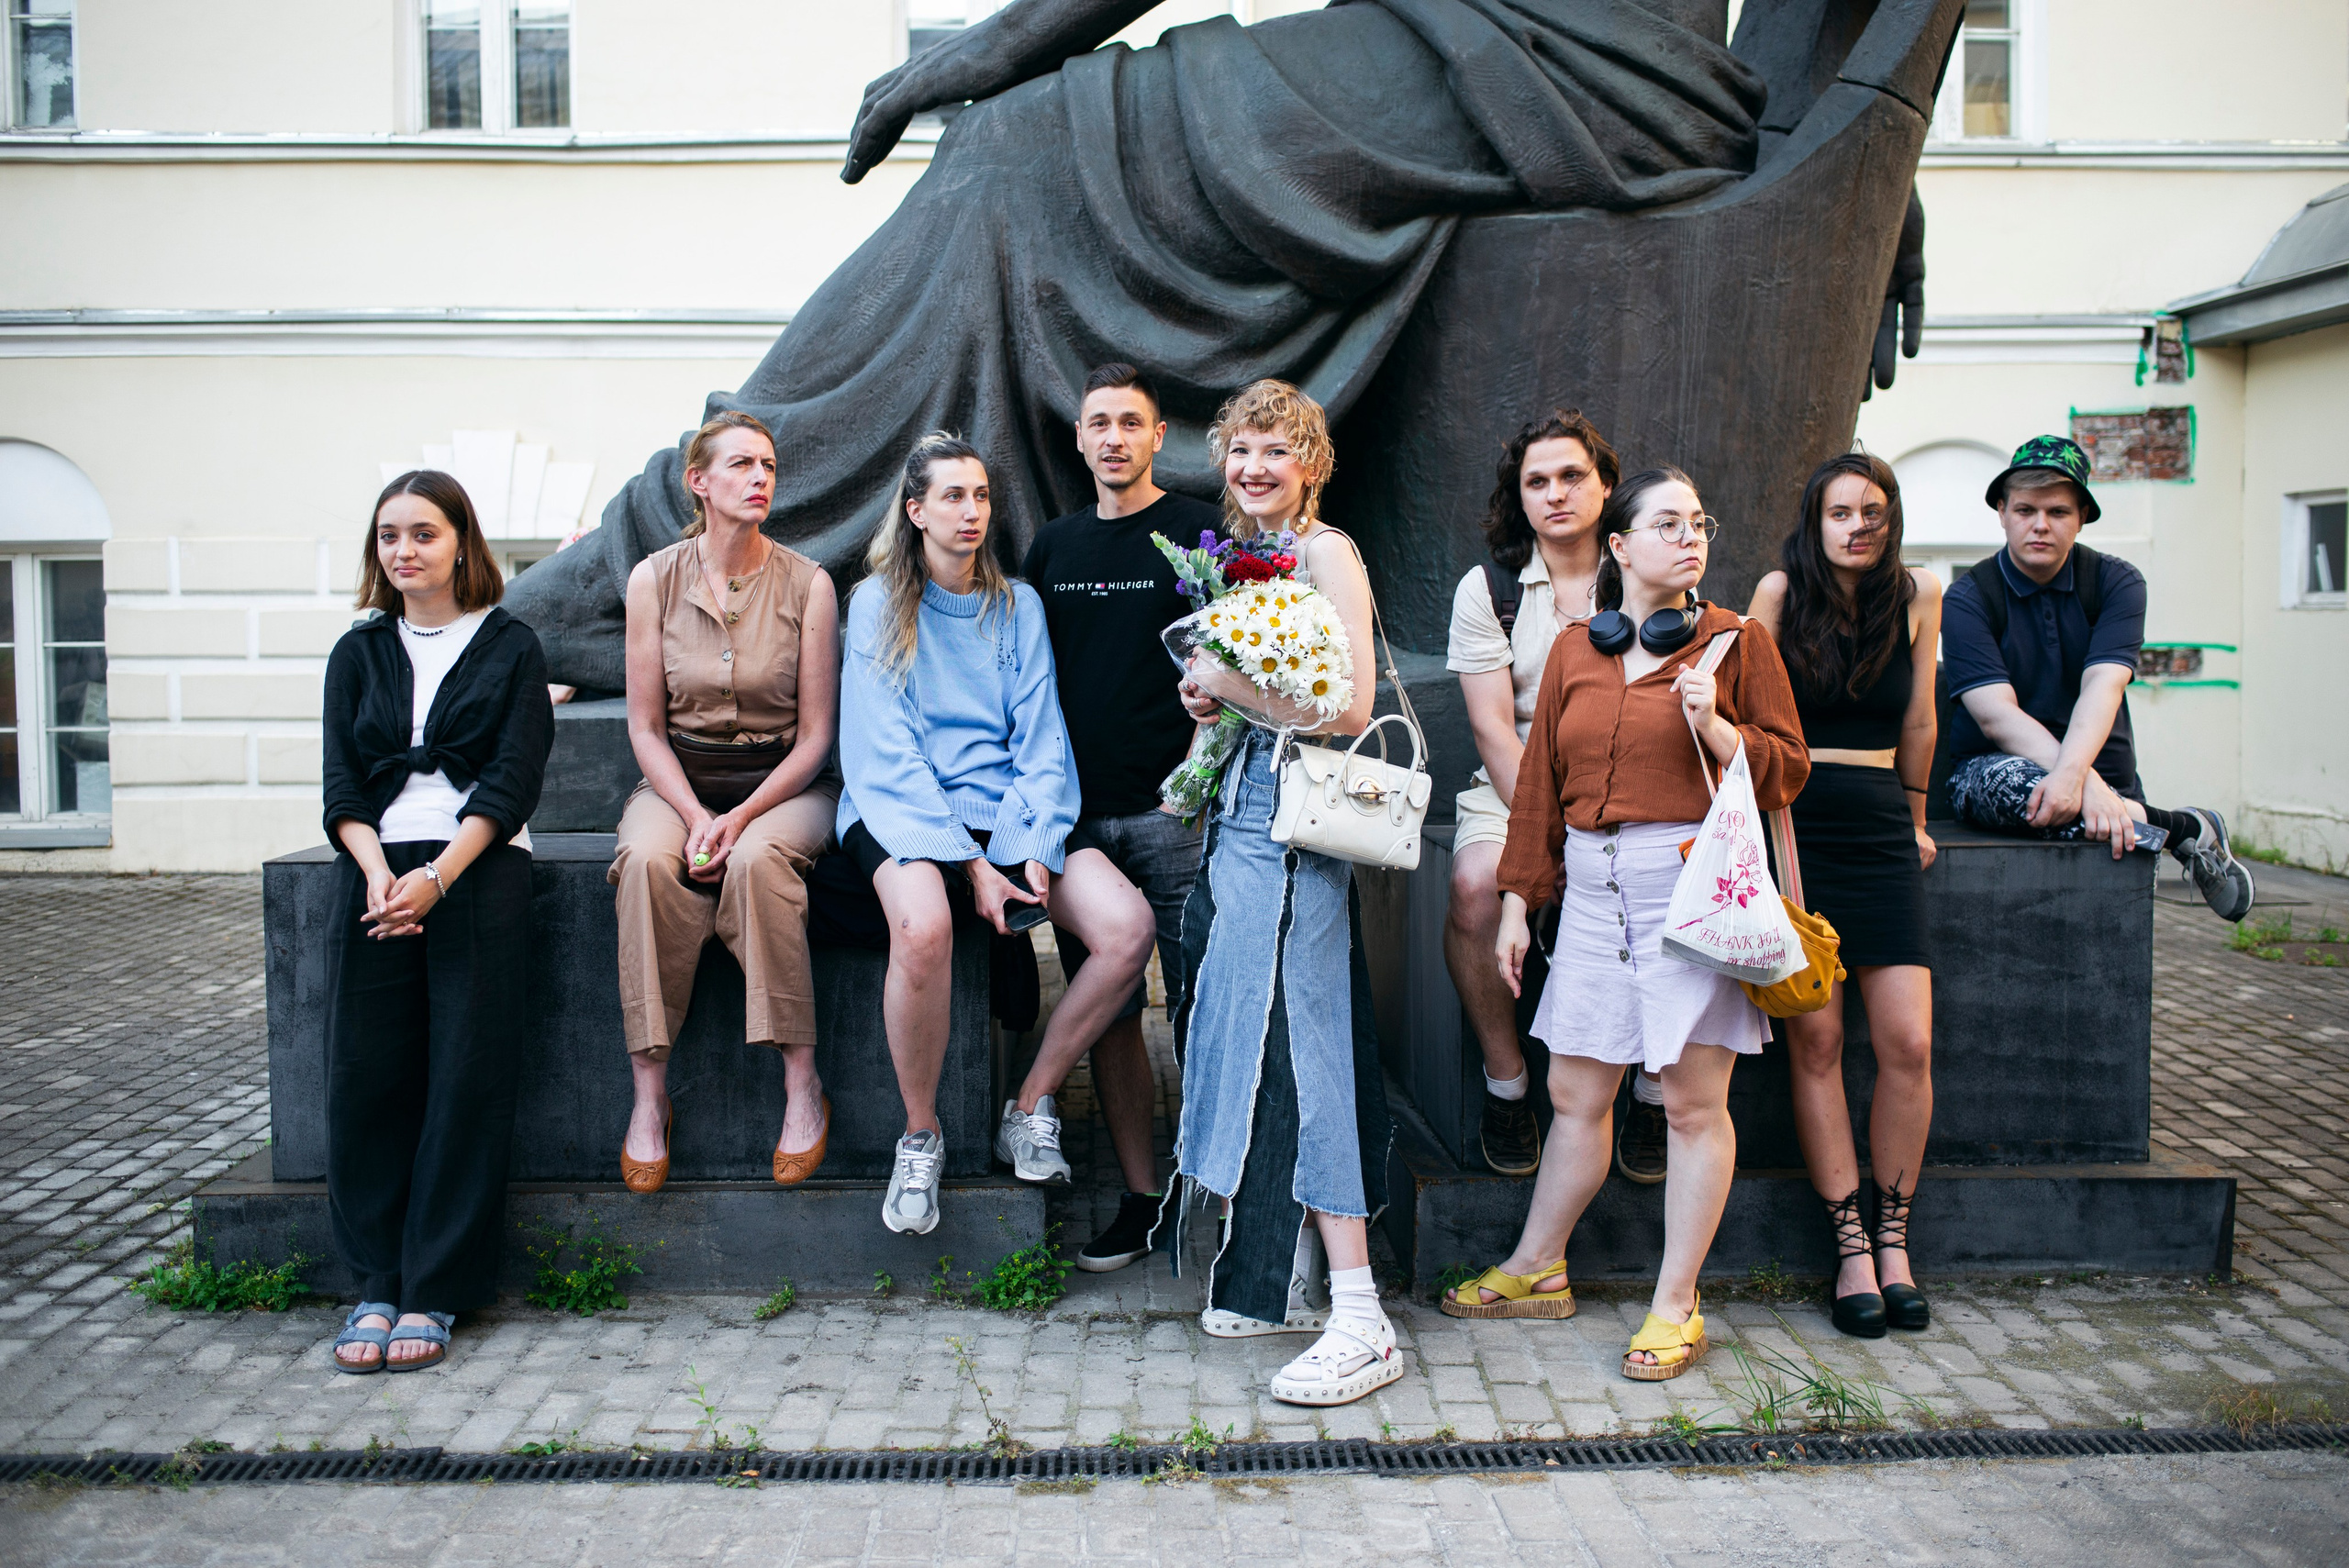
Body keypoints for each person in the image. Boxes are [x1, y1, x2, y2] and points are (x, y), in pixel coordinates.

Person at [1442, 467, 1807, 1385]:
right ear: (1619, 546)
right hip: (1593, 895)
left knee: (1689, 1103)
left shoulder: (1733, 643)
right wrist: (1520, 903)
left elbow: (1788, 769)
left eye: (1700, 522)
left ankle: (1675, 1303)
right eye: (1668, 523)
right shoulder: (1574, 650)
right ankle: (1538, 1264)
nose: (1691, 538)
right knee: (1575, 1092)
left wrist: (1719, 730)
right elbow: (1535, 790)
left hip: (1684, 890)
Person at [839, 433, 1153, 1235]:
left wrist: (1033, 841)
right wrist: (973, 863)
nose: (971, 510)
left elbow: (1041, 740)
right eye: (952, 496)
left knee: (1126, 929)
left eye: (981, 495)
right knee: (922, 925)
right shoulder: (877, 603)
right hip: (904, 810)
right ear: (915, 511)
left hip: (1008, 810)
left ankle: (1030, 1101)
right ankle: (921, 1134)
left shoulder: (1019, 604)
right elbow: (888, 753)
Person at [1174, 380, 1400, 1408]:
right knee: (1260, 1040)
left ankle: (1362, 1315)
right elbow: (1267, 693)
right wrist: (1210, 696)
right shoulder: (1243, 559)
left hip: (1298, 823)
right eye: (1240, 450)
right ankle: (1302, 1269)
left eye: (1275, 450)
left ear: (1310, 462)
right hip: (1245, 815)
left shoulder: (1324, 552)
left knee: (1308, 1046)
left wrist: (1229, 687)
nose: (1254, 467)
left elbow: (1346, 703)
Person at [320, 471, 553, 1373]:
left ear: (462, 540)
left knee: (466, 1077)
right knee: (369, 1077)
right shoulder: (358, 651)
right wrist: (382, 873)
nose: (404, 550)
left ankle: (435, 1287)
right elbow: (342, 779)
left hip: (478, 868)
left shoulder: (509, 645)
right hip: (376, 874)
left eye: (422, 532)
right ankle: (376, 1280)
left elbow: (513, 774)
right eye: (388, 536)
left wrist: (439, 878)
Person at [1021, 362, 1225, 1272]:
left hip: (1173, 814)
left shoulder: (1195, 534)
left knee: (1201, 1006)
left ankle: (1221, 1195)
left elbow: (1233, 669)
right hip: (1075, 821)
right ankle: (1141, 1198)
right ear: (1079, 437)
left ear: (1155, 437)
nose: (1113, 437)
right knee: (1106, 1015)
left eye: (1130, 422)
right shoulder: (1053, 549)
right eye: (1098, 421)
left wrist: (1196, 772)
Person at [609, 412, 841, 1194]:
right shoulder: (653, 579)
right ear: (698, 481)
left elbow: (815, 740)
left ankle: (801, 1080)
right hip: (680, 778)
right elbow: (644, 726)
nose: (760, 478)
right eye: (741, 464)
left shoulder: (810, 584)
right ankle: (649, 1097)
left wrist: (737, 819)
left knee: (758, 862)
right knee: (644, 860)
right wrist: (693, 811)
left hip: (784, 782)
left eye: (769, 465)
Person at [1748, 452, 1940, 1338]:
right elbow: (1740, 708)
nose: (1859, 524)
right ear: (1814, 520)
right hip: (1793, 824)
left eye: (1874, 509)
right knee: (1816, 1040)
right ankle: (1852, 1247)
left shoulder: (1920, 596)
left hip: (1877, 828)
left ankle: (1896, 1238)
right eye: (1840, 512)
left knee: (1907, 1039)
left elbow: (1921, 716)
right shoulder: (1781, 594)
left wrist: (1916, 813)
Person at [1944, 436, 2253, 920]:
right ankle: (2179, 829)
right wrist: (2080, 786)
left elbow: (2102, 687)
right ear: (2001, 511)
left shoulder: (2116, 582)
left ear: (2082, 515)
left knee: (2093, 839)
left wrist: (2078, 778)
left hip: (2106, 776)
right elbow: (1996, 716)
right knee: (2025, 792)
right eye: (2025, 510)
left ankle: (2148, 821)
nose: (2040, 525)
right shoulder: (1968, 598)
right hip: (1997, 765)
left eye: (2058, 512)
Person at [1443, 409, 1619, 1180]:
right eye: (1536, 481)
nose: (1555, 493)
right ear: (1519, 498)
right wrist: (1548, 831)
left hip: (1628, 787)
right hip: (1514, 785)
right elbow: (1490, 727)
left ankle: (1649, 1091)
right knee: (1476, 884)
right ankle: (1507, 1083)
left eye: (1571, 476)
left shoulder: (1647, 571)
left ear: (1606, 486)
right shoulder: (1490, 589)